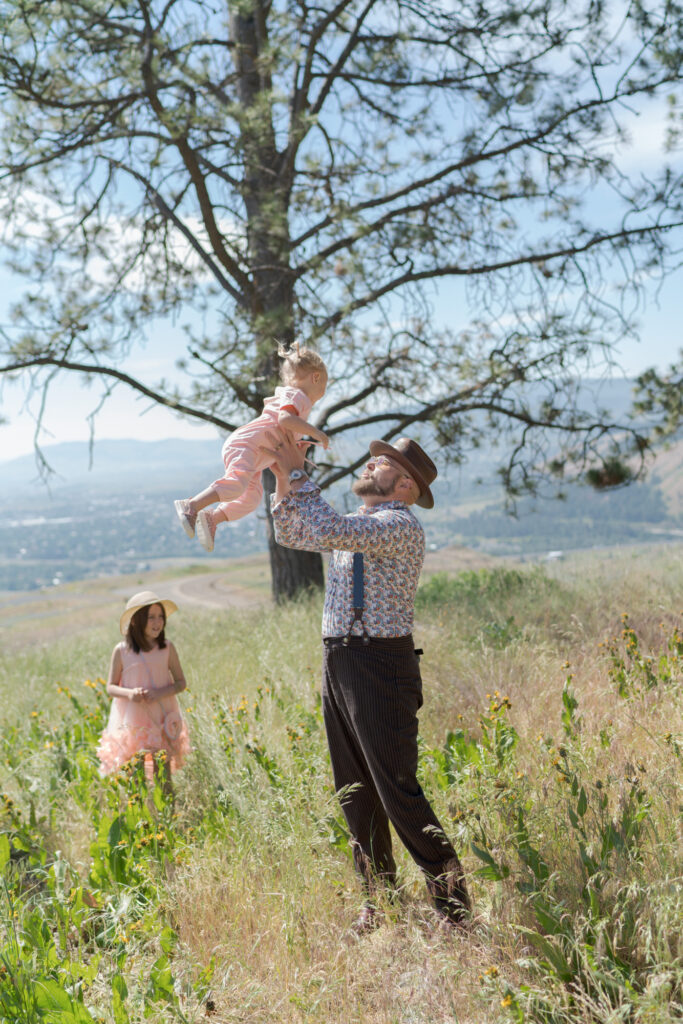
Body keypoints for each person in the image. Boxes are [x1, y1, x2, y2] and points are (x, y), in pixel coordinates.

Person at [264, 430, 472, 933]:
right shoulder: (356, 524)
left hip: (379, 665)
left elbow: (323, 525)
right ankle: (379, 900)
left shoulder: (400, 525)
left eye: (382, 464)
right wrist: (280, 480)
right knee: (354, 790)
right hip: (339, 661)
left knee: (396, 790)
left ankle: (456, 910)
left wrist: (298, 472)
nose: (369, 465)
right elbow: (294, 532)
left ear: (404, 485)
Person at [174, 344, 329, 552]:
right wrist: (316, 432)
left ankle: (212, 518)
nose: (323, 392)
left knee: (252, 498)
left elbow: (286, 429)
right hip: (246, 444)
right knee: (237, 484)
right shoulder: (297, 395)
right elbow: (284, 419)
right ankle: (191, 506)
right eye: (324, 386)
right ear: (316, 377)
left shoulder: (296, 400)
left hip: (256, 455)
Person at [97, 590, 191, 786]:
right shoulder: (122, 651)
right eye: (151, 618)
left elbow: (181, 683)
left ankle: (166, 812)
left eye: (160, 617)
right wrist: (130, 694)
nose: (157, 622)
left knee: (163, 774)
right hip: (133, 721)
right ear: (135, 621)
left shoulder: (167, 648)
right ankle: (140, 811)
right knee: (135, 773)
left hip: (161, 717)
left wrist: (159, 693)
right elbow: (111, 687)